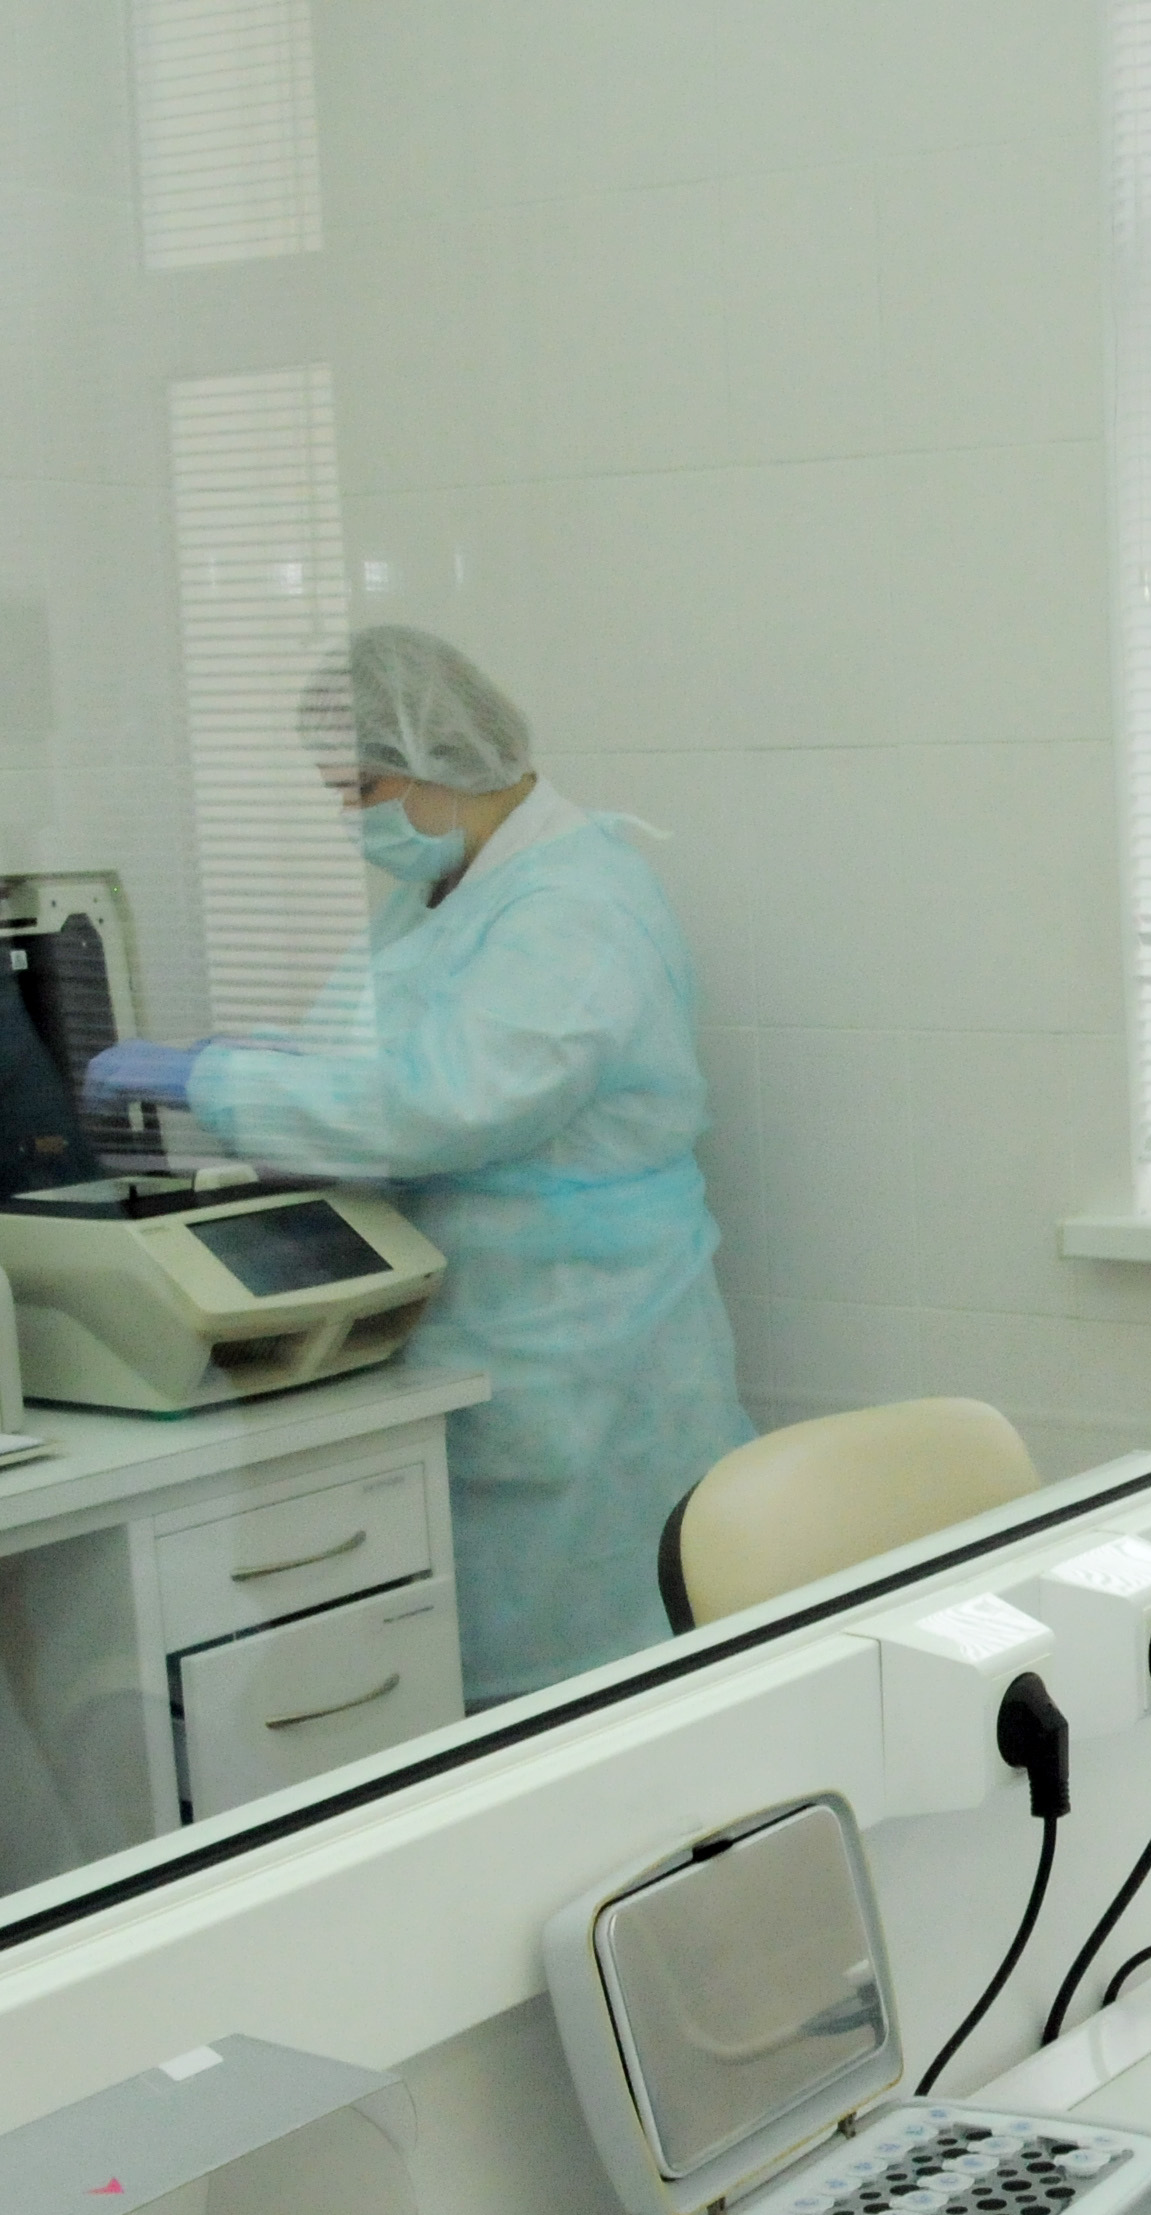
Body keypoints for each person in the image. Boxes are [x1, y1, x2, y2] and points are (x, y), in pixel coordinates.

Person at [86, 626, 752, 1699]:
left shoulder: (573, 908)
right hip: (489, 1334)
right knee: (481, 1681)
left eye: (361, 789)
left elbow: (442, 1104)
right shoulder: (454, 883)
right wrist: (267, 1060)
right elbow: (384, 1051)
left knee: (604, 1673)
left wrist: (217, 1082)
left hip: (584, 1342)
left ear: (439, 759)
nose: (353, 819)